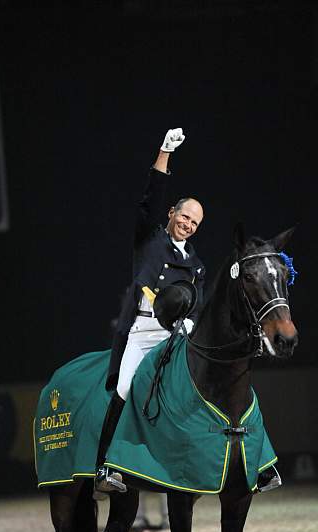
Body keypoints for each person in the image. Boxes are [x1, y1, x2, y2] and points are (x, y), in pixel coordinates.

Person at [94, 128, 205, 497]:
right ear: (173, 214)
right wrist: (164, 153)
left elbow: (199, 300)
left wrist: (190, 320)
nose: (187, 224)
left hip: (174, 338)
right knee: (125, 388)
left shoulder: (197, 264)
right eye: (184, 216)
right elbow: (150, 199)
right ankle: (104, 465)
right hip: (141, 333)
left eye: (194, 222)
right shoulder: (151, 239)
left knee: (195, 391)